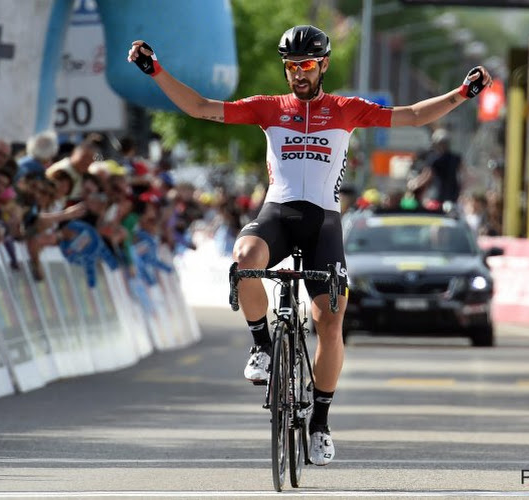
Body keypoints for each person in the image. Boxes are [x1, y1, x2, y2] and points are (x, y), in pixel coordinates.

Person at [128, 25, 491, 466]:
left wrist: (462, 93)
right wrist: (156, 70)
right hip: (278, 215)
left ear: (322, 65)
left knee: (330, 323)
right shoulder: (268, 108)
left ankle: (319, 422)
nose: (297, 74)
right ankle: (262, 345)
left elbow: (413, 115)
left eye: (305, 66)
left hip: (323, 225)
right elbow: (201, 107)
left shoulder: (346, 109)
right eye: (290, 67)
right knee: (244, 260)